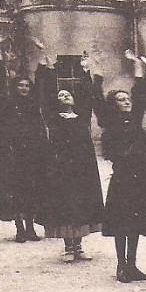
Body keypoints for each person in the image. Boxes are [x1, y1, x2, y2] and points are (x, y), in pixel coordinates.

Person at [92, 51, 146, 282]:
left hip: (140, 178)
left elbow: (142, 93)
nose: (127, 100)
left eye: (127, 97)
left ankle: (132, 265)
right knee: (121, 222)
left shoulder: (137, 115)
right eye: (121, 99)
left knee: (136, 222)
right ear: (113, 105)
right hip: (122, 178)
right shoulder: (109, 120)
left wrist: (141, 69)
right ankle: (121, 265)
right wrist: (97, 73)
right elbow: (96, 99)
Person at [34, 53, 104, 262]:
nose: (64, 97)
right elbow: (44, 96)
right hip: (62, 168)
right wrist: (45, 70)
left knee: (81, 203)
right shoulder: (53, 119)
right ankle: (68, 247)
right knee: (66, 204)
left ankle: (79, 247)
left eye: (67, 94)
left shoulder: (81, 116)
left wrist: (85, 71)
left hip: (83, 167)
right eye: (60, 96)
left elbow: (86, 93)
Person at [0, 41, 49, 243]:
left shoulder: (33, 104)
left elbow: (41, 84)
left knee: (32, 190)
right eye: (20, 85)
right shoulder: (7, 104)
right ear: (15, 87)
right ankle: (20, 228)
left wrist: (41, 58)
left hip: (32, 155)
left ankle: (31, 227)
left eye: (26, 85)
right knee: (15, 191)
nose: (24, 88)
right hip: (12, 155)